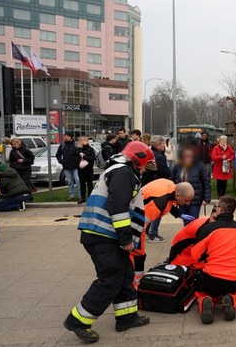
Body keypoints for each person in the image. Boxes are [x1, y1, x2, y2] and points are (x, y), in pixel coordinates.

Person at [64, 141, 155, 343]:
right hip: (104, 235)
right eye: (144, 165)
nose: (144, 170)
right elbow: (118, 207)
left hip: (106, 235)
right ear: (137, 159)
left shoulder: (122, 172)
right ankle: (78, 321)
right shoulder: (123, 173)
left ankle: (126, 317)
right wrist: (125, 239)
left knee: (124, 275)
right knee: (111, 279)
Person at [190, 197, 236, 325]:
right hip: (233, 280)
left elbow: (194, 255)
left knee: (200, 292)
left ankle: (205, 300)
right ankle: (231, 300)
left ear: (220, 210)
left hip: (211, 279)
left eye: (216, 206)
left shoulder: (208, 229)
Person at [133, 180, 195, 274]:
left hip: (137, 211)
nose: (188, 204)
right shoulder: (160, 202)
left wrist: (179, 214)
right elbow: (140, 224)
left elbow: (171, 202)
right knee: (138, 254)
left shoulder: (171, 186)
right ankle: (135, 280)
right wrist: (133, 242)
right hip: (134, 221)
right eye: (186, 200)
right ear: (178, 196)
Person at [171, 146, 212, 220]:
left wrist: (206, 198)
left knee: (193, 220)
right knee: (185, 220)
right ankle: (186, 231)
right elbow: (171, 181)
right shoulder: (177, 166)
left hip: (195, 199)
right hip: (181, 198)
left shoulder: (199, 166)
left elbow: (206, 182)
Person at [56, 132, 81, 202]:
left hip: (75, 166)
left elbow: (80, 154)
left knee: (78, 180)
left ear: (71, 137)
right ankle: (72, 195)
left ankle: (80, 195)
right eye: (65, 136)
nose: (65, 137)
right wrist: (61, 161)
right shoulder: (62, 145)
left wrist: (77, 161)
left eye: (67, 136)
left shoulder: (75, 144)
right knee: (69, 181)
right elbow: (58, 154)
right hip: (66, 166)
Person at [76, 136, 97, 204]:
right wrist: (78, 163)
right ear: (81, 142)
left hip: (89, 169)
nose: (87, 141)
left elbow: (93, 158)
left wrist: (84, 156)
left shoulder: (90, 149)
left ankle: (90, 198)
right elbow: (75, 158)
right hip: (81, 169)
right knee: (82, 184)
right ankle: (82, 198)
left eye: (87, 140)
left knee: (90, 184)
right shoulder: (78, 149)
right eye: (85, 140)